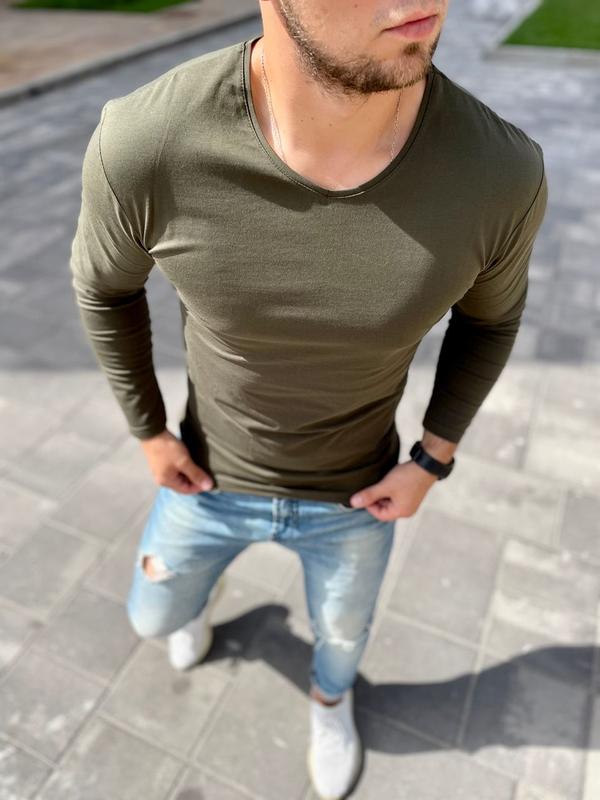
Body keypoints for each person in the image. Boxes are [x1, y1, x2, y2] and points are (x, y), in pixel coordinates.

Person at [69, 0, 548, 796]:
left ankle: (330, 702)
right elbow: (102, 290)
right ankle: (201, 598)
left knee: (342, 641)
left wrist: (433, 458)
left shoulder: (500, 173)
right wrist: (149, 432)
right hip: (210, 476)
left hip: (357, 493)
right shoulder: (149, 142)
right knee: (153, 619)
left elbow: (490, 322)